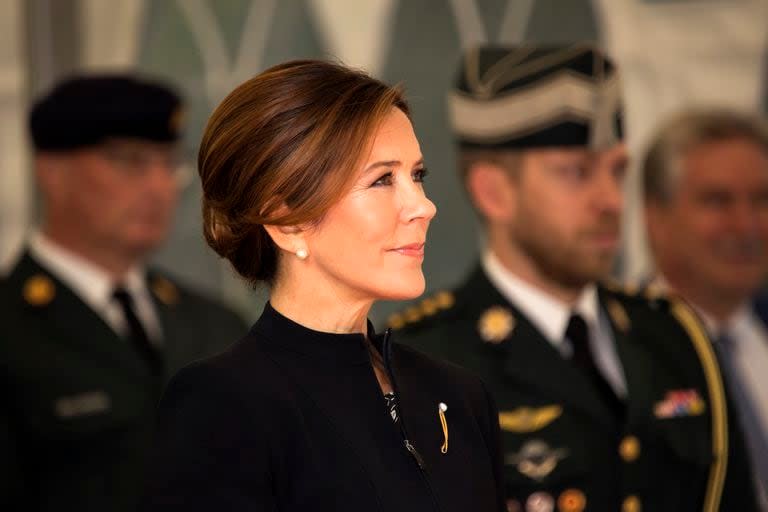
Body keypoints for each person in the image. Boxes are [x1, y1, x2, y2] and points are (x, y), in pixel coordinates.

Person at [390, 45, 759, 511]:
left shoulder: (673, 334)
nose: (610, 200)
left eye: (617, 170)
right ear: (494, 192)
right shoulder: (421, 365)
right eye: (576, 172)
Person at [140, 59, 506, 512]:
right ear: (286, 222)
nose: (423, 206)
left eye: (417, 175)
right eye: (382, 180)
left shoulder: (460, 396)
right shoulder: (223, 405)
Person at [0, 74, 247, 512]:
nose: (159, 186)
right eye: (131, 161)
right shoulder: (11, 328)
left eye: (168, 163)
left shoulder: (215, 325)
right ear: (52, 172)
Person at [643, 108, 768, 508]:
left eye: (762, 199)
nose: (746, 224)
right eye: (718, 201)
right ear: (655, 217)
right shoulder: (620, 346)